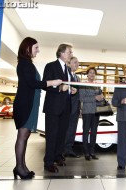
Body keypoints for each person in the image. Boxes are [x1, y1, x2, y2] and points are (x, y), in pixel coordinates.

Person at [13, 37, 62, 179]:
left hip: (29, 104)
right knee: (22, 136)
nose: (38, 50)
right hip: (24, 105)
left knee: (25, 136)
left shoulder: (27, 63)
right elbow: (33, 83)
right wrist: (52, 82)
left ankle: (21, 166)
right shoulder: (24, 64)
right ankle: (19, 168)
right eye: (36, 48)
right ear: (27, 48)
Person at [42, 44, 77, 173]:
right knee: (52, 135)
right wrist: (59, 88)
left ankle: (57, 156)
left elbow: (68, 86)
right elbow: (45, 84)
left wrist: (71, 90)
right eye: (69, 52)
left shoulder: (68, 70)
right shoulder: (50, 66)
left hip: (65, 108)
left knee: (62, 134)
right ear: (61, 53)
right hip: (53, 108)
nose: (71, 54)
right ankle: (48, 162)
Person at [79, 67, 102, 161]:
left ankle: (92, 152)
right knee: (85, 132)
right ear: (87, 74)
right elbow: (82, 98)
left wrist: (101, 97)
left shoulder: (97, 86)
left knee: (94, 132)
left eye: (93, 73)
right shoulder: (83, 85)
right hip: (87, 111)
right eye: (90, 73)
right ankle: (86, 152)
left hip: (96, 112)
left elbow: (100, 97)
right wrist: (95, 98)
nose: (92, 74)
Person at [64, 57, 81, 158]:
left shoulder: (77, 77)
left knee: (72, 129)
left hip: (76, 108)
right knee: (66, 129)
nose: (77, 64)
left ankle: (69, 149)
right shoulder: (66, 75)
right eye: (75, 62)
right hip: (67, 107)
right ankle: (63, 150)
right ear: (69, 64)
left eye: (78, 63)